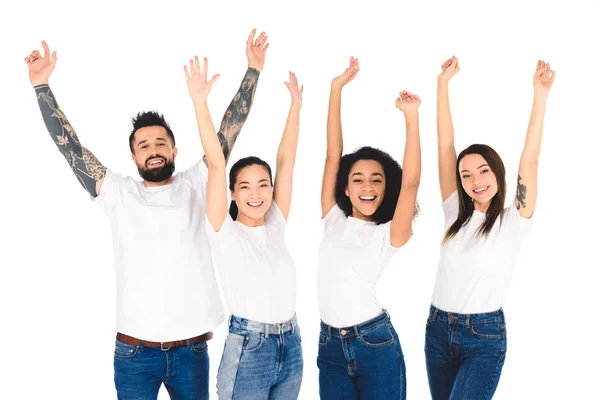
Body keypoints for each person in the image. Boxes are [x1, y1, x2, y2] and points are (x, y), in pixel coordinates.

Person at [24, 29, 269, 400]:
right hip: (134, 353)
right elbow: (71, 148)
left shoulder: (199, 181)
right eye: (144, 145)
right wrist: (42, 86)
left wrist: (253, 70)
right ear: (134, 157)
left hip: (191, 352)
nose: (153, 150)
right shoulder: (119, 193)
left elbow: (228, 132)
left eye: (160, 143)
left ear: (173, 149)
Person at [424, 56, 555, 399]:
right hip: (437, 331)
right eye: (466, 175)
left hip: (483, 337)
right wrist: (442, 84)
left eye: (483, 171)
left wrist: (540, 94)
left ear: (497, 173)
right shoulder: (455, 212)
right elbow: (444, 145)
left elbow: (530, 158)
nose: (475, 180)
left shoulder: (514, 221)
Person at [184, 55, 303, 399]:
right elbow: (217, 165)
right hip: (250, 349)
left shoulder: (275, 225)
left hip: (291, 344)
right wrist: (199, 103)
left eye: (263, 184)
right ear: (233, 194)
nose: (256, 194)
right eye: (246, 187)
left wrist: (295, 107)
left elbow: (286, 162)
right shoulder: (224, 232)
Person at [316, 57, 421, 399]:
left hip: (374, 344)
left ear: (384, 188)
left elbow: (411, 185)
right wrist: (336, 89)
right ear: (345, 189)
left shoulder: (388, 234)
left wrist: (411, 117)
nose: (367, 187)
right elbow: (334, 155)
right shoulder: (333, 217)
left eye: (376, 180)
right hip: (330, 345)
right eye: (357, 179)